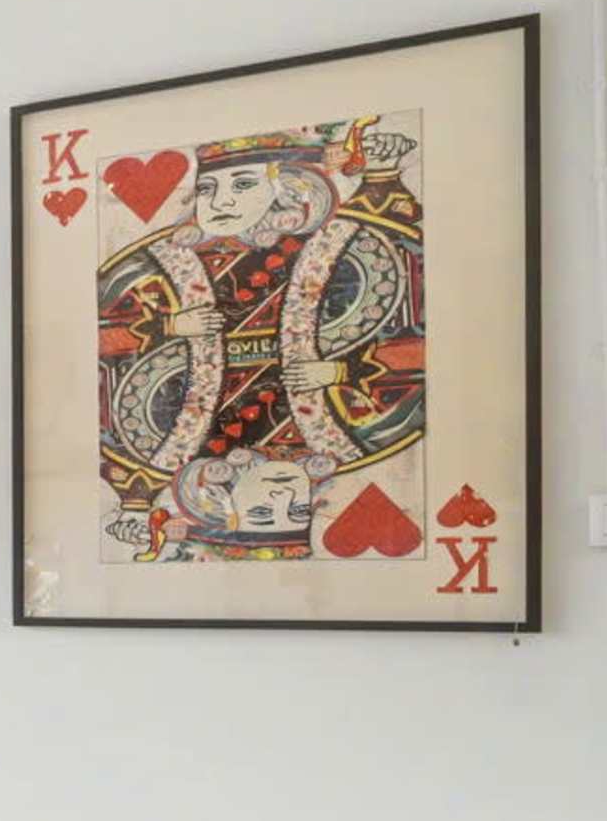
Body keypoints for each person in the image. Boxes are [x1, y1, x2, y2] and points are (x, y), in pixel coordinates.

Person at [97, 118, 423, 561]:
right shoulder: (169, 258)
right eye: (208, 189)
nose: (221, 201)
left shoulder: (344, 241)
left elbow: (416, 339)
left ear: (290, 190)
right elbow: (97, 340)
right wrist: (173, 327)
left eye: (243, 184)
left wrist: (338, 369)